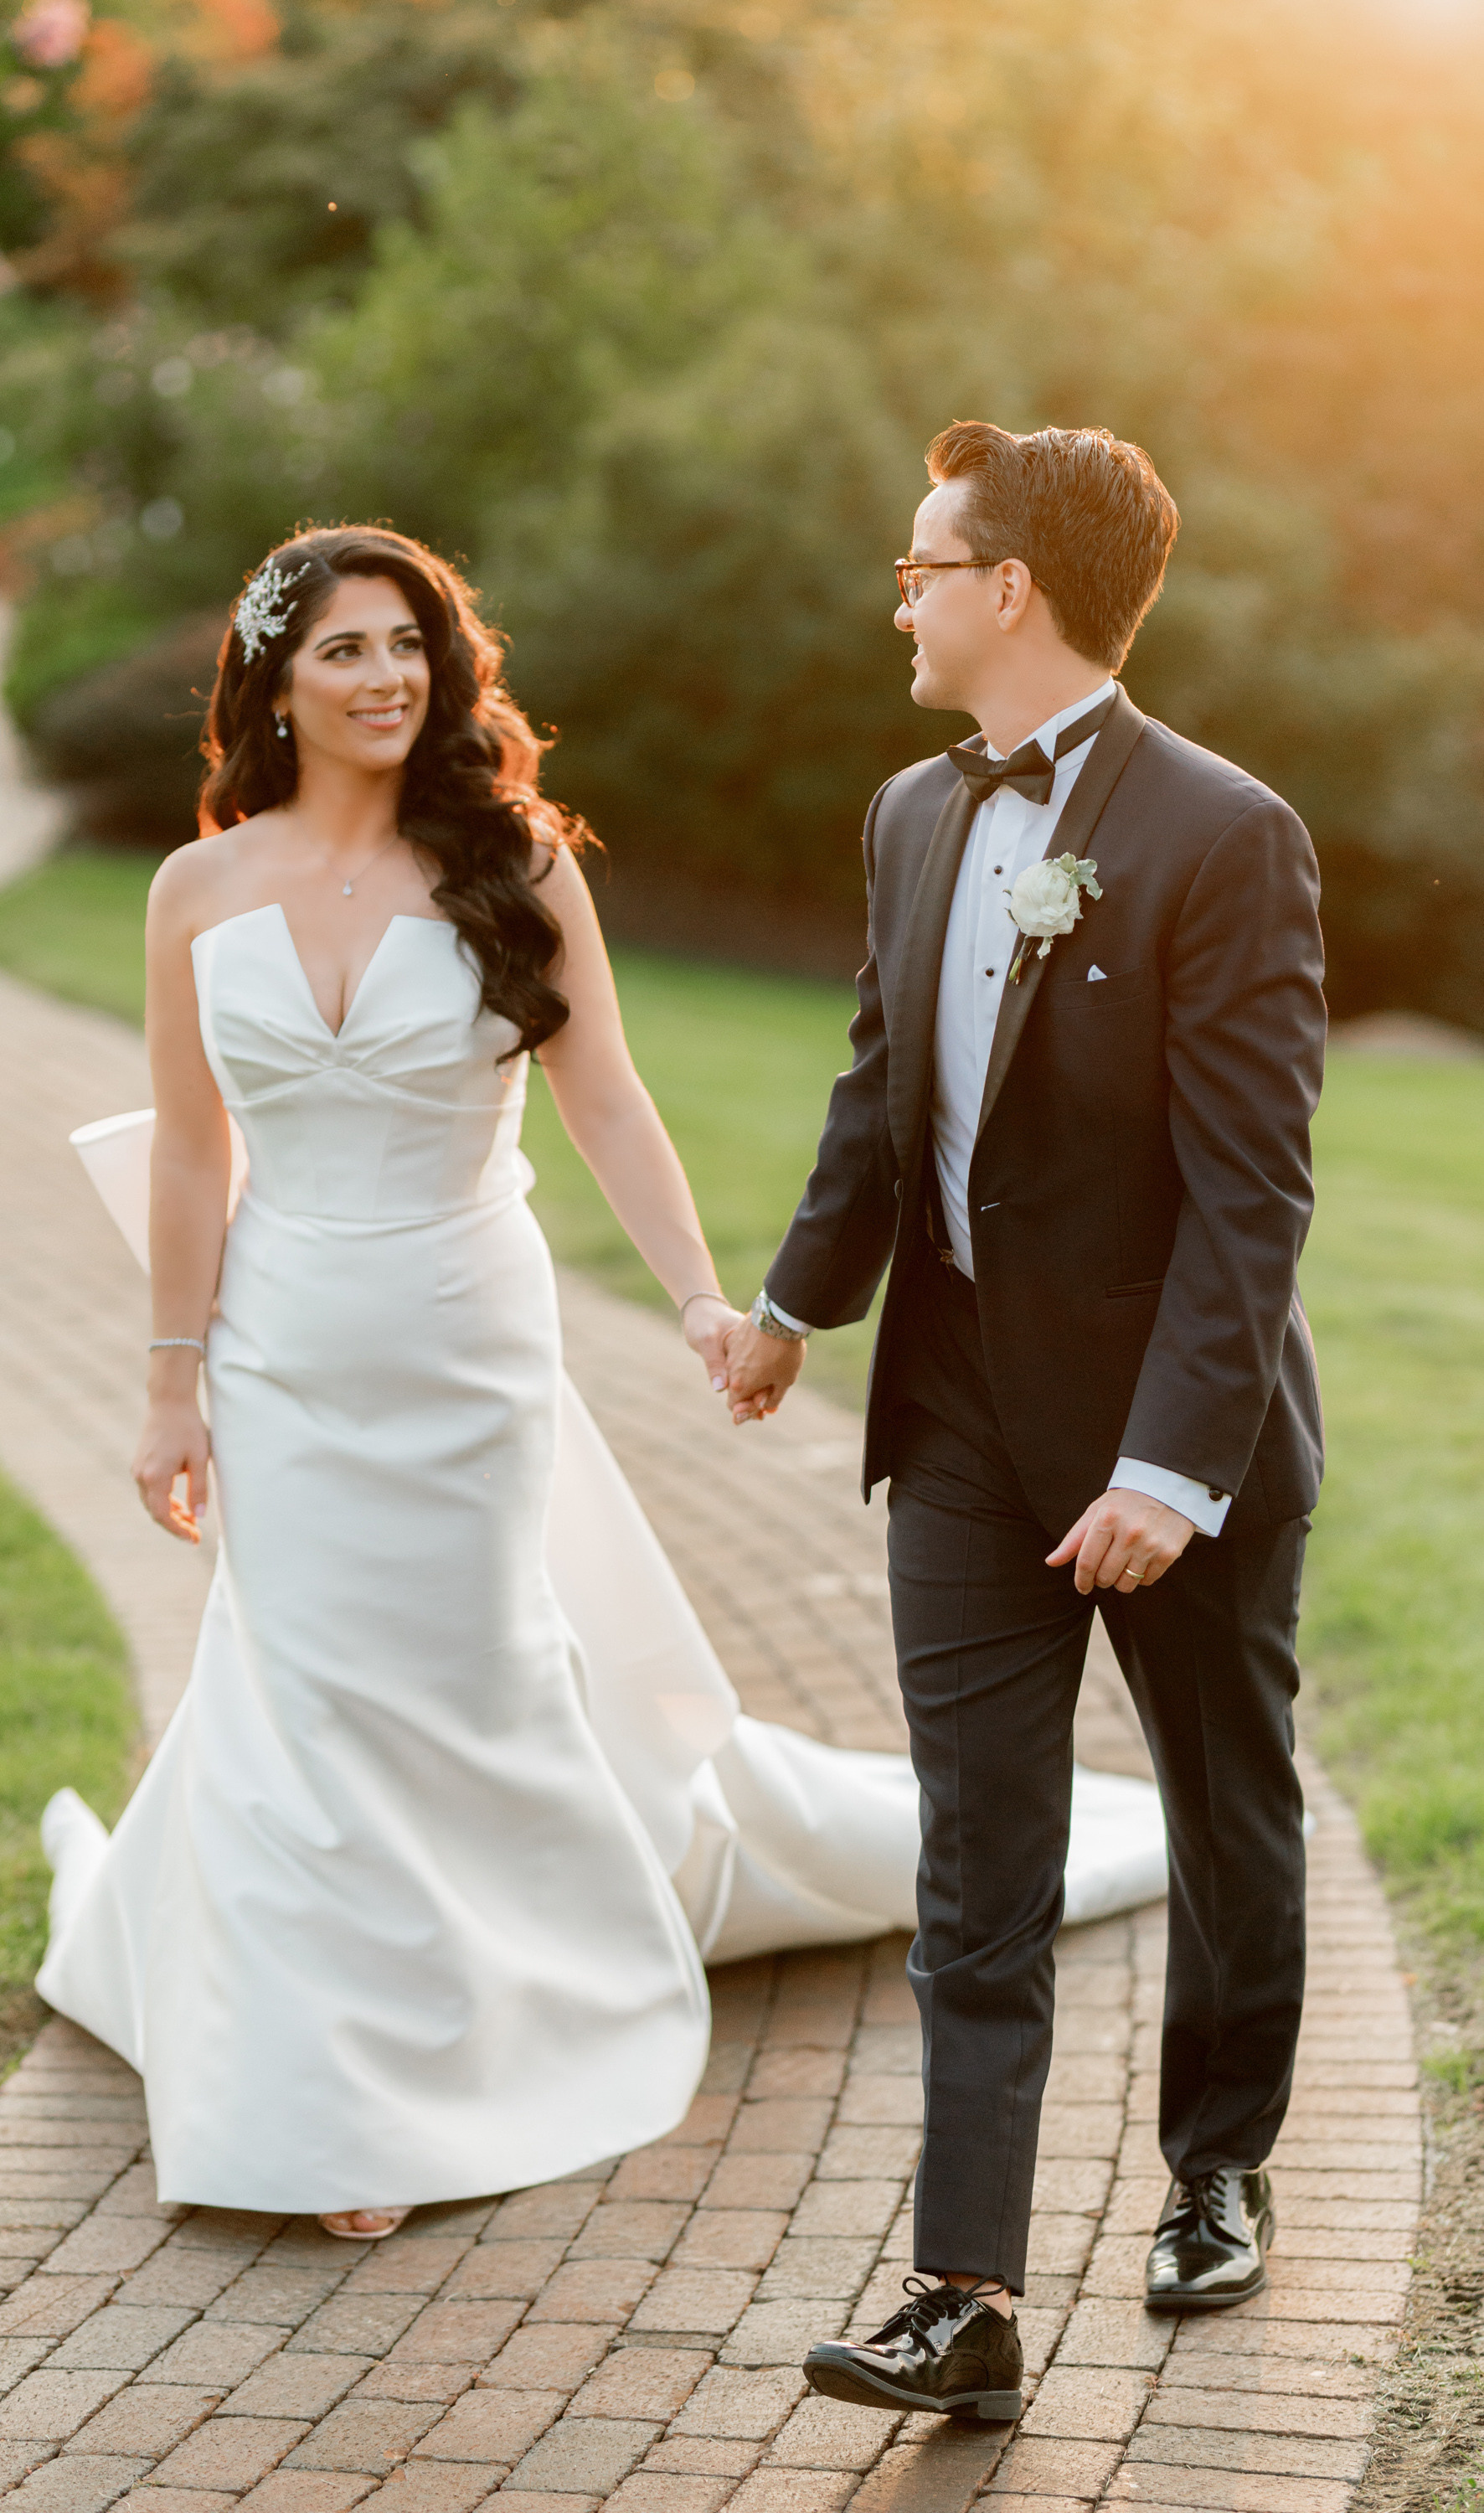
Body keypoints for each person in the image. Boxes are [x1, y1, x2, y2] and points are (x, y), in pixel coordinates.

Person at [36, 524, 941, 2239]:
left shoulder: (513, 859)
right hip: (283, 1336)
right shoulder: (195, 892)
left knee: (452, 1683)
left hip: (465, 1334)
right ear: (275, 685)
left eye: (408, 646)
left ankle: (473, 2019)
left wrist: (692, 1294)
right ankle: (334, 2091)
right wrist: (170, 1382)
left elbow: (600, 1094)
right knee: (305, 1699)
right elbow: (183, 1160)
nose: (385, 679)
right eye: (346, 651)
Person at [723, 422, 1325, 2419]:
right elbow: (876, 1085)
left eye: (919, 565)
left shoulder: (1221, 833)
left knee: (1227, 1808)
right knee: (979, 1851)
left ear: (1011, 590)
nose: (893, 596)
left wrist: (1170, 1466)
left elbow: (1251, 1197)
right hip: (963, 1412)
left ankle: (1215, 2169)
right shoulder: (911, 814)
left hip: (1177, 1429)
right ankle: (964, 2293)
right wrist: (795, 1305)